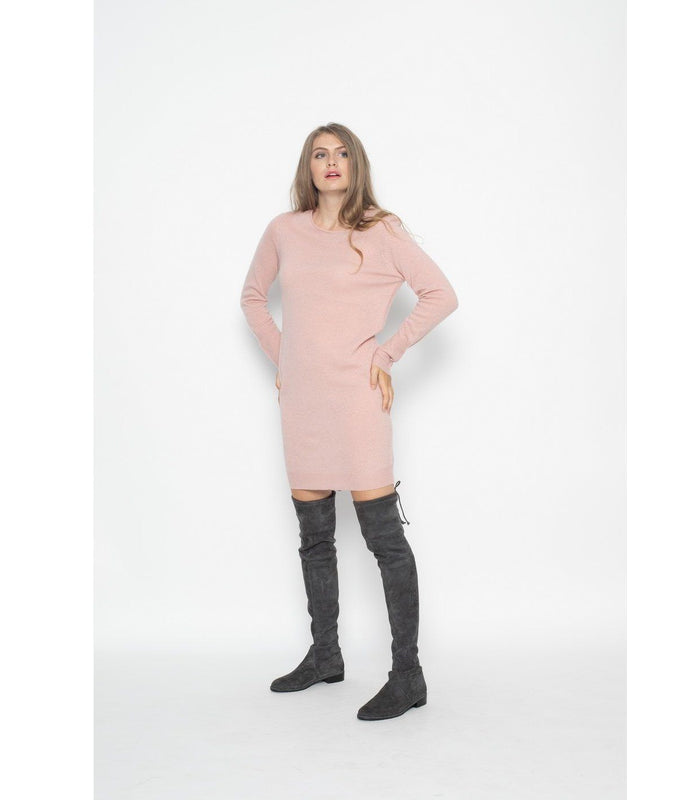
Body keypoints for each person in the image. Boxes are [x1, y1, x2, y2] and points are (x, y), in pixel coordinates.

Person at [239, 122, 459, 721]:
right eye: (320, 154)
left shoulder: (381, 230)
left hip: (357, 397)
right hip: (302, 401)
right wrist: (282, 356)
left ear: (355, 164)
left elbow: (441, 294)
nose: (331, 162)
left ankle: (408, 674)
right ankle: (325, 655)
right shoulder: (283, 230)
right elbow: (252, 297)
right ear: (308, 167)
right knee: (314, 536)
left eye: (341, 153)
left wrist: (386, 355)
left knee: (383, 537)